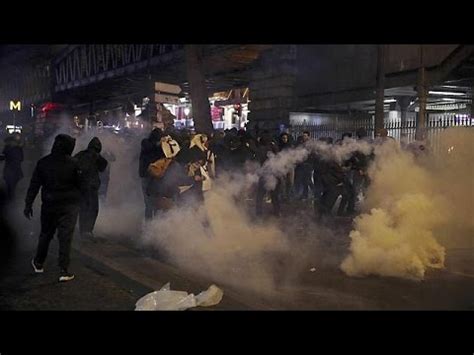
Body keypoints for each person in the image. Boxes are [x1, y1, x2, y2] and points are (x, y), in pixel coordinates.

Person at [24, 134, 86, 282]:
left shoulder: (43, 163)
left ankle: (39, 262)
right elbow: (81, 185)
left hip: (50, 205)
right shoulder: (74, 164)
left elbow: (34, 185)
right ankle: (64, 270)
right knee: (65, 237)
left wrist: (28, 204)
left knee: (46, 234)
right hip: (69, 206)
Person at [74, 137, 108, 239]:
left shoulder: (81, 154)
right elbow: (103, 167)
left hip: (84, 186)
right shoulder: (94, 156)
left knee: (84, 208)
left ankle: (84, 230)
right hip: (89, 186)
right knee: (92, 209)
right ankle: (87, 230)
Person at [139, 128, 165, 220]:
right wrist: (159, 144)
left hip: (155, 176)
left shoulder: (159, 147)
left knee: (156, 202)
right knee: (149, 203)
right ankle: (149, 225)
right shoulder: (146, 143)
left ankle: (154, 225)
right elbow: (149, 148)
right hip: (147, 176)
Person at [255, 133, 280, 217]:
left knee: (260, 195)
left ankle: (258, 212)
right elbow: (279, 157)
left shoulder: (260, 149)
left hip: (264, 174)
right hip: (273, 173)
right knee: (274, 194)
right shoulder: (273, 148)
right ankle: (277, 212)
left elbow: (257, 161)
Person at [0, 133, 24, 200]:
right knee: (11, 187)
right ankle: (11, 198)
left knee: (10, 186)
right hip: (14, 170)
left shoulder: (8, 148)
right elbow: (21, 158)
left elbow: (3, 157)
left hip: (11, 170)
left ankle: (11, 198)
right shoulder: (18, 148)